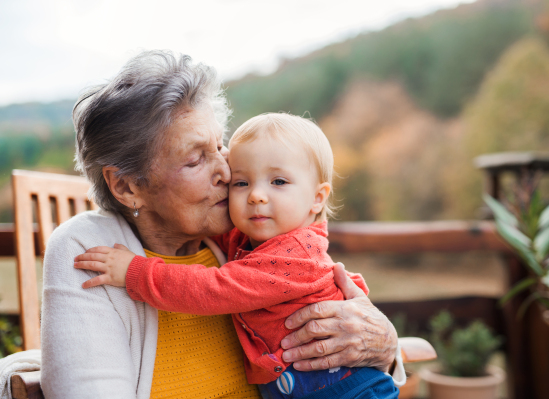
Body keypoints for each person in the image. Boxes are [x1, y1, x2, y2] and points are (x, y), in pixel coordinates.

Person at [41, 50, 403, 399]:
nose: (227, 172)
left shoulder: (244, 235)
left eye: (220, 147)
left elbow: (332, 296)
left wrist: (384, 344)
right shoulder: (87, 249)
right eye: (197, 159)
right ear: (127, 186)